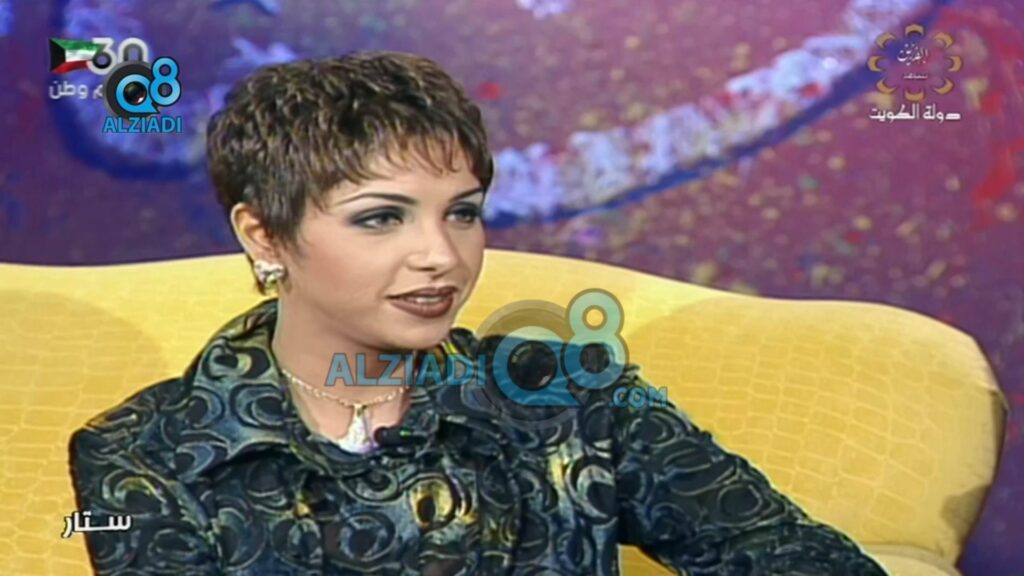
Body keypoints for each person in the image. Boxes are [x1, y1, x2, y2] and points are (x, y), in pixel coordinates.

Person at [68, 51, 889, 575]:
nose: (441, 255)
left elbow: (791, 557)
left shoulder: (570, 393)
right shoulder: (145, 452)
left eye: (462, 212)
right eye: (381, 218)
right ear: (263, 234)